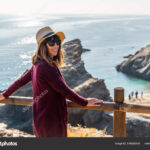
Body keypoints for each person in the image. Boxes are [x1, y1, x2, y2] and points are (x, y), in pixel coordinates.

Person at [0, 26, 103, 137]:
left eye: (57, 42)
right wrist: (85, 102)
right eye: (51, 42)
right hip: (52, 123)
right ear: (43, 46)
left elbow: (19, 82)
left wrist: (5, 94)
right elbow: (64, 90)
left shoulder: (37, 65)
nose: (56, 46)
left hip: (41, 121)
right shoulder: (46, 66)